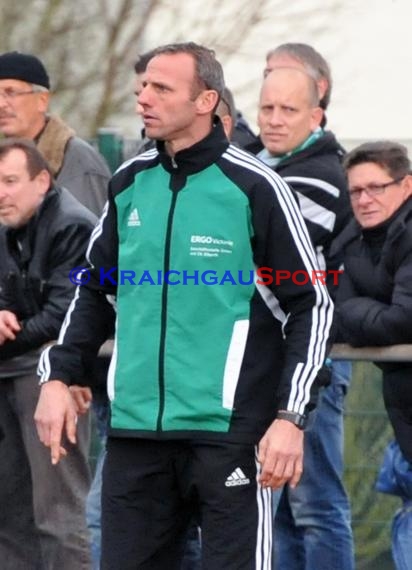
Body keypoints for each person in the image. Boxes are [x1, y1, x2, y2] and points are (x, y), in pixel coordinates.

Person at [34, 42, 333, 570]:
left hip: (230, 434)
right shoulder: (128, 182)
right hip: (135, 434)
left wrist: (290, 416)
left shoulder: (255, 186)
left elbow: (311, 304)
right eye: (142, 87)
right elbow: (95, 291)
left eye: (161, 88)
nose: (143, 98)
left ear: (205, 100)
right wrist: (58, 377)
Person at [0, 50, 112, 568]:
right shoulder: (11, 202)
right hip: (17, 366)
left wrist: (72, 369)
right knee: (13, 514)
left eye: (11, 92)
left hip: (54, 369)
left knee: (60, 514)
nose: (1, 104)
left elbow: (83, 294)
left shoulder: (77, 169)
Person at [253, 52, 355, 570]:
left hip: (311, 364)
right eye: (266, 107)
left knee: (315, 507)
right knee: (278, 514)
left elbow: (257, 265)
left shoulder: (317, 177)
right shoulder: (263, 167)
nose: (272, 119)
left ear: (316, 114)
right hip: (273, 362)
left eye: (287, 110)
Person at [332, 141, 412, 570]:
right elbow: (335, 311)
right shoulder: (354, 241)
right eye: (356, 191)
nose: (364, 199)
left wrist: (352, 311)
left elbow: (404, 320)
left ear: (407, 186)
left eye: (376, 188)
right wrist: (357, 313)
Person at [0, 50, 110, 216]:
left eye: (11, 92)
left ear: (42, 100)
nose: (1, 104)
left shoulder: (77, 160)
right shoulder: (7, 158)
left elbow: (88, 235)